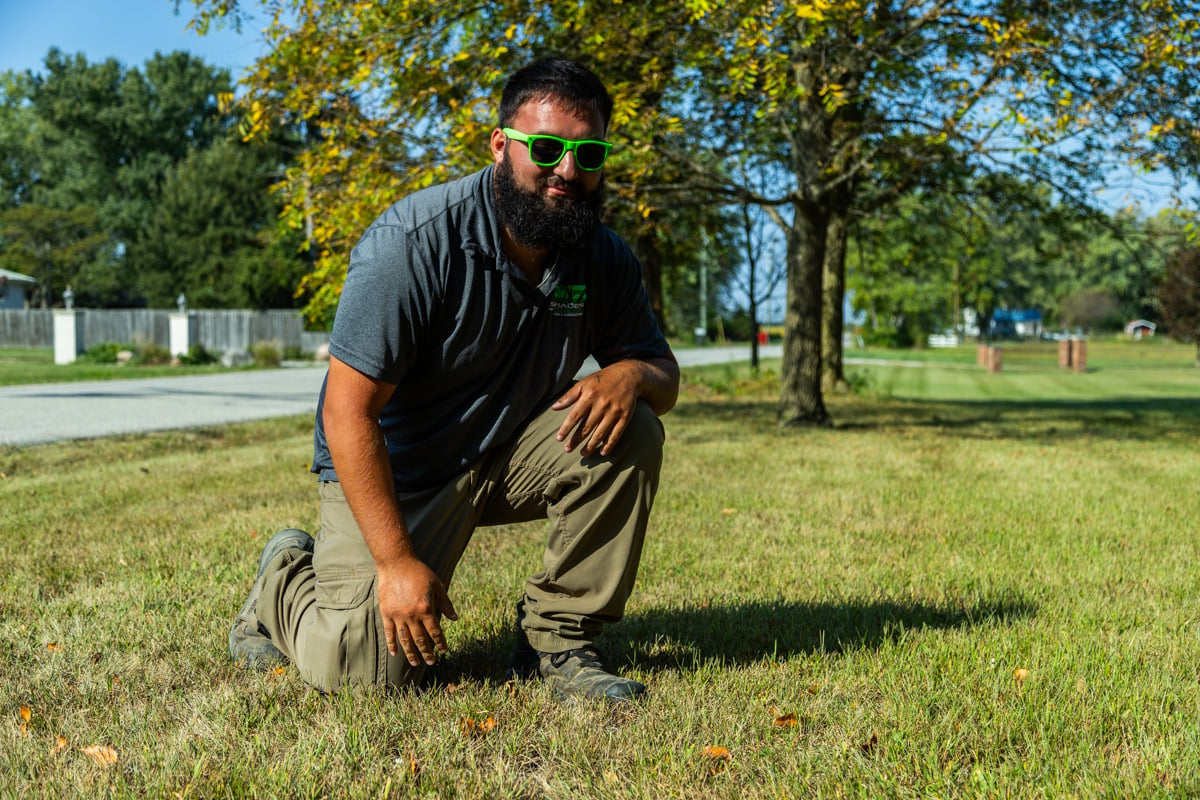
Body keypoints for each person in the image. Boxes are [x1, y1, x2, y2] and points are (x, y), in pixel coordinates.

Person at [229, 57, 679, 702]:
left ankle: (558, 643)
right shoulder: (412, 242)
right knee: (362, 677)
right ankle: (284, 576)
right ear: (501, 145)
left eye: (589, 152)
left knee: (630, 424)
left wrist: (632, 374)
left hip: (500, 456)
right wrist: (393, 562)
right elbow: (346, 413)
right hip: (397, 473)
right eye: (547, 148)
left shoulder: (602, 256)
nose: (568, 171)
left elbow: (665, 377)